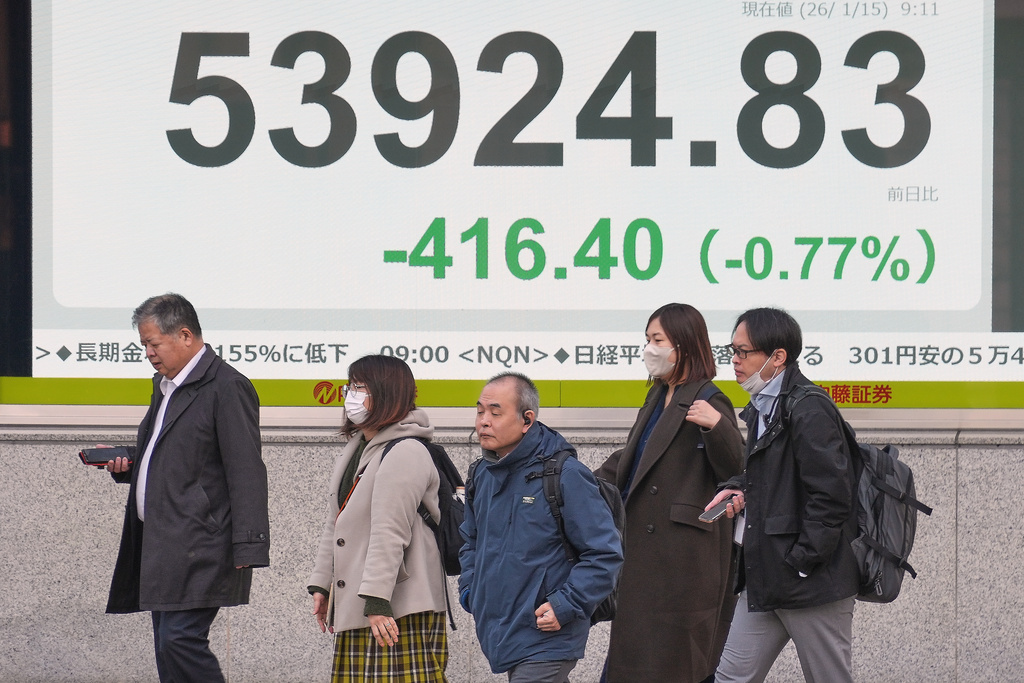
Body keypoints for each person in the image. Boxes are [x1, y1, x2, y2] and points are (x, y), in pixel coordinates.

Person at [104, 293, 270, 682]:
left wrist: (249, 544)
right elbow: (175, 453)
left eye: (153, 343)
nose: (148, 353)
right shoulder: (165, 387)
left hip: (202, 543)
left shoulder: (226, 386)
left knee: (179, 640)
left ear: (184, 335)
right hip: (163, 542)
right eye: (143, 345)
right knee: (168, 645)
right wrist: (131, 462)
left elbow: (246, 469)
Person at [707, 307, 860, 683]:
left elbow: (832, 493)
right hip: (766, 576)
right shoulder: (763, 405)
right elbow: (773, 476)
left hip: (809, 582)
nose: (735, 361)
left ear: (778, 357)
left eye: (744, 352)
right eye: (733, 351)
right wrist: (738, 487)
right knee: (730, 677)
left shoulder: (808, 406)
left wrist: (803, 561)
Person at [595, 303, 744, 683]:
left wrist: (717, 428)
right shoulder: (658, 395)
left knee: (676, 663)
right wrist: (576, 482)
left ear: (685, 345)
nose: (649, 348)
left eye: (657, 340)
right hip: (648, 553)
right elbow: (633, 458)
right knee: (638, 659)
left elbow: (737, 473)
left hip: (682, 562)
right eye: (647, 339)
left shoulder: (709, 399)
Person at [459, 372, 623, 683]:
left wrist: (566, 605)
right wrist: (471, 589)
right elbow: (471, 541)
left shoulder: (564, 474)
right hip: (503, 630)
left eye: (495, 412)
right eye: (480, 410)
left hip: (549, 634)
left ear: (527, 420)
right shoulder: (481, 474)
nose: (483, 421)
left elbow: (604, 554)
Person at [308, 354, 449, 682]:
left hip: (396, 608)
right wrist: (323, 582)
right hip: (368, 604)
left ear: (386, 393)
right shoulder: (360, 447)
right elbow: (338, 522)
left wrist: (376, 600)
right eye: (349, 387)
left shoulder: (406, 451)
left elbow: (390, 531)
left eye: (359, 387)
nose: (349, 396)